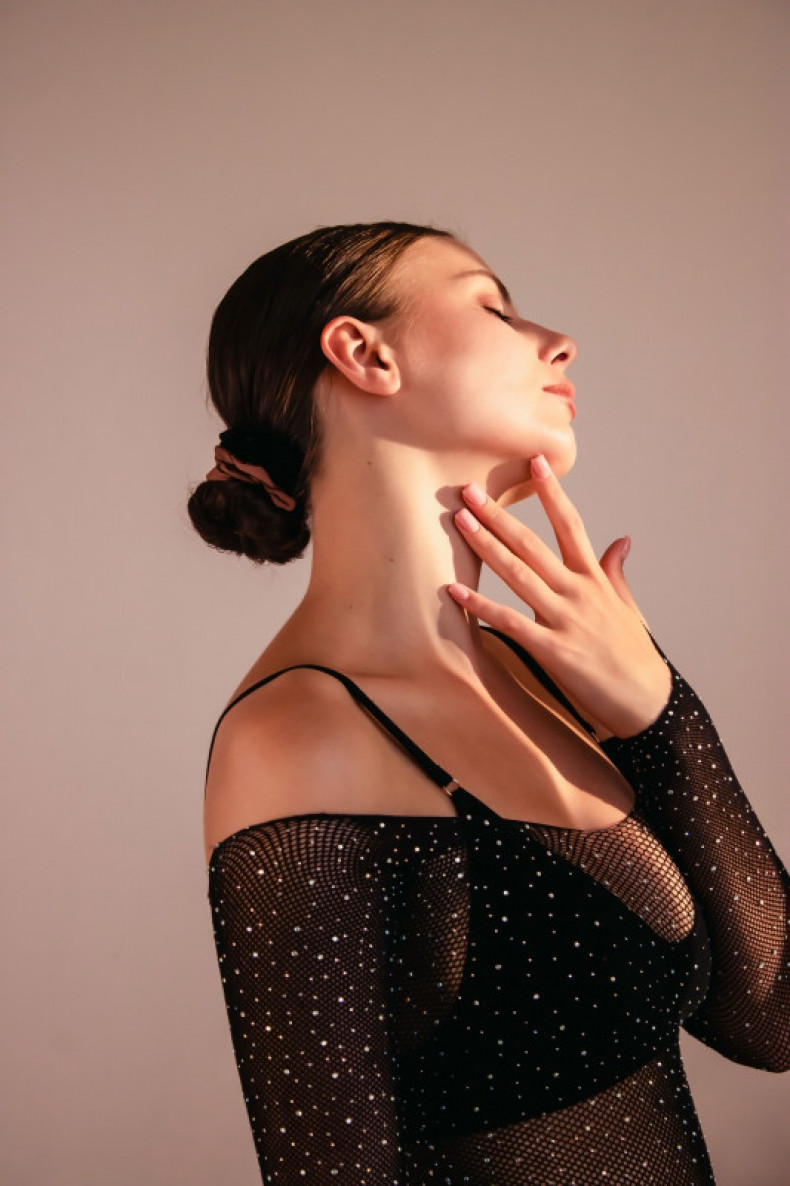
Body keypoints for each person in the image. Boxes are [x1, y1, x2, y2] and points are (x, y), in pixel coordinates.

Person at [189, 221, 790, 1185]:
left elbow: (771, 1018)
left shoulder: (558, 679)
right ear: (364, 354)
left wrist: (663, 714)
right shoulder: (295, 734)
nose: (560, 343)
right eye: (494, 309)